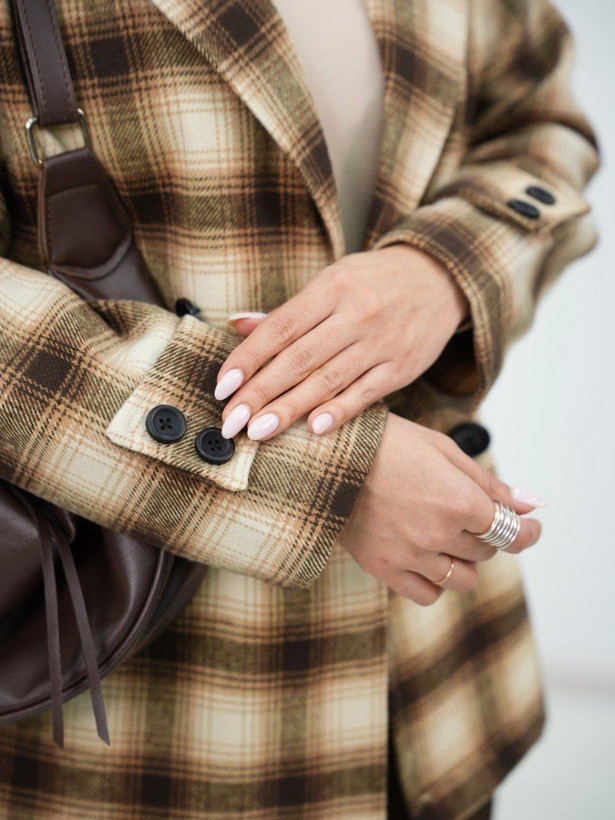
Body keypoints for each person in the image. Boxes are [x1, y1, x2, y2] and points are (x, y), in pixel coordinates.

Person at [0, 0, 599, 818]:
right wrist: (317, 474)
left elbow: (536, 121)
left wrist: (442, 268)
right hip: (152, 717)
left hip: (434, 697)